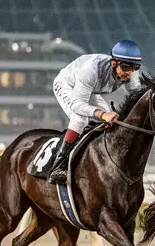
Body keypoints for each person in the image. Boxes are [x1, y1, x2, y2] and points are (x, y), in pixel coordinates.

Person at [47, 40, 142, 185]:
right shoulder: (91, 70)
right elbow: (77, 105)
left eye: (135, 67)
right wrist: (102, 115)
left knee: (112, 121)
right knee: (80, 119)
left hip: (88, 90)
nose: (129, 72)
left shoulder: (131, 74)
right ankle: (57, 166)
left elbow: (139, 98)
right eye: (125, 67)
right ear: (113, 63)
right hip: (67, 84)